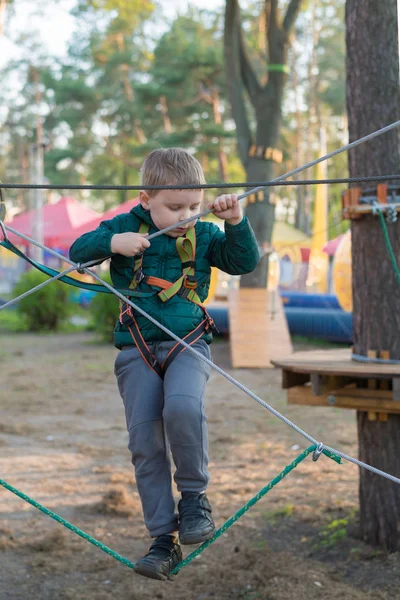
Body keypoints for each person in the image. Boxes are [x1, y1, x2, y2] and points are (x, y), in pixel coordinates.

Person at [69, 148, 260, 581]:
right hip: (136, 349)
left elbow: (244, 262)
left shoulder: (207, 235)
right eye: (174, 207)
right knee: (145, 442)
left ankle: (194, 500)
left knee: (183, 409)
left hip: (187, 343)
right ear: (144, 199)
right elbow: (78, 252)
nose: (186, 215)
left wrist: (235, 222)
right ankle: (162, 540)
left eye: (194, 205)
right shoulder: (122, 227)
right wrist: (111, 244)